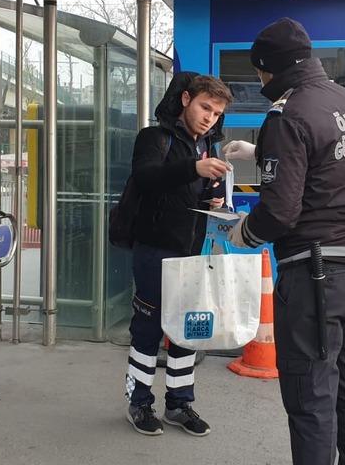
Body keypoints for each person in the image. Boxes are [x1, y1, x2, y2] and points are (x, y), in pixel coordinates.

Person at [224, 18, 345, 465]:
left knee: (310, 393)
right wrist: (262, 153)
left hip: (316, 274)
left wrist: (245, 232)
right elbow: (334, 162)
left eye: (259, 73)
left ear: (269, 69)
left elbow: (279, 212)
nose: (260, 82)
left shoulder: (286, 113)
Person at [124, 73, 232, 437]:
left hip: (191, 252)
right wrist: (193, 169)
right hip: (153, 250)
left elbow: (187, 197)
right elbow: (146, 177)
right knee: (148, 328)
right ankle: (139, 403)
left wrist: (211, 198)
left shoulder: (206, 148)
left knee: (188, 329)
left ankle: (179, 403)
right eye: (205, 107)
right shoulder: (153, 138)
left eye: (216, 114)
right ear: (186, 99)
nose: (209, 118)